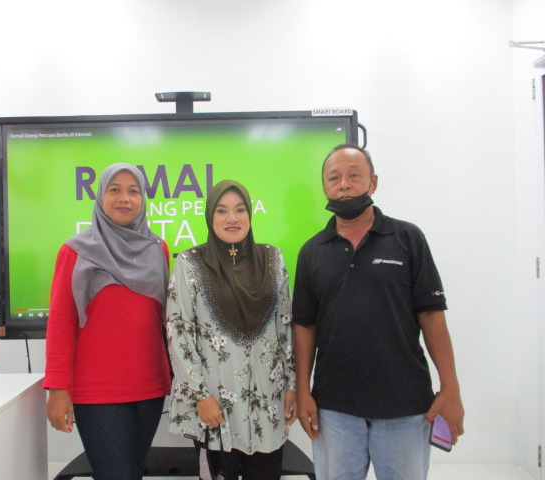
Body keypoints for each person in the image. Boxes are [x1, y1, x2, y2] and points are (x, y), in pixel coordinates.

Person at [293, 144, 464, 480]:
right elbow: (305, 326)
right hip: (334, 410)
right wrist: (303, 390)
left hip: (405, 406)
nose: (344, 184)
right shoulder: (311, 252)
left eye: (354, 175)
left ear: (373, 182)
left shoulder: (408, 239)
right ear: (325, 187)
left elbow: (431, 315)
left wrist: (450, 387)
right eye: (334, 178)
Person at [44, 163, 171, 480]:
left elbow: (165, 321)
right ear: (101, 196)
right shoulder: (75, 251)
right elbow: (60, 323)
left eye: (133, 191)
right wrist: (57, 388)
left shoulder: (159, 249)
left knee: (133, 473)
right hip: (97, 390)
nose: (124, 198)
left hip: (150, 386)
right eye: (115, 190)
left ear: (143, 199)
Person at [166, 179, 297, 480]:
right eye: (222, 210)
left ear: (250, 214)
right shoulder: (190, 263)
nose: (232, 218)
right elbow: (179, 332)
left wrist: (292, 384)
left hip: (267, 404)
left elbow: (285, 326)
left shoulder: (273, 259)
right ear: (210, 217)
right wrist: (199, 396)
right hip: (215, 407)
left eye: (240, 209)